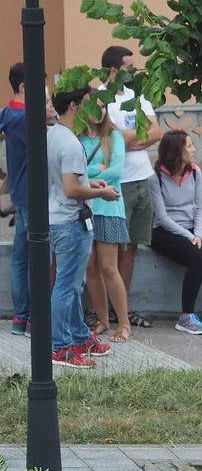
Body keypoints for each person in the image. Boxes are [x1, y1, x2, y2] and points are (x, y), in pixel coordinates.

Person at [48, 87, 120, 368]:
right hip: (69, 222)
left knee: (73, 284)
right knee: (66, 286)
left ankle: (79, 337)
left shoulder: (52, 135)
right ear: (75, 106)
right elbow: (70, 189)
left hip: (57, 220)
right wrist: (100, 193)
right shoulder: (70, 143)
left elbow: (67, 182)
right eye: (88, 103)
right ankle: (61, 347)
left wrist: (91, 184)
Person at [103, 45, 161, 328]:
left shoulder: (137, 97)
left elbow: (156, 131)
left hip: (142, 180)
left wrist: (127, 138)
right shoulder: (102, 100)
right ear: (113, 70)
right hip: (119, 183)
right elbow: (110, 140)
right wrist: (136, 137)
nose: (133, 73)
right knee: (112, 247)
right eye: (129, 68)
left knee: (131, 248)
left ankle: (122, 306)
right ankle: (104, 309)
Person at [149, 130, 202, 335]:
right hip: (165, 231)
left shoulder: (195, 172)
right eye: (189, 146)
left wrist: (198, 234)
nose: (194, 150)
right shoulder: (155, 178)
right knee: (197, 258)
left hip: (193, 229)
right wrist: (191, 237)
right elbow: (162, 217)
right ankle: (186, 316)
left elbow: (200, 208)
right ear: (176, 151)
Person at [79, 100, 132, 343]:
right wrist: (96, 169)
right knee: (90, 267)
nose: (98, 111)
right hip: (85, 208)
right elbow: (72, 172)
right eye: (93, 106)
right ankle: (102, 320)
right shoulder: (78, 139)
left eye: (102, 106)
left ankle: (124, 324)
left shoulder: (114, 136)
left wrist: (89, 173)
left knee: (109, 267)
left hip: (109, 208)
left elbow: (116, 171)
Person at [0, 63, 31, 335]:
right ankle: (31, 317)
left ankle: (21, 318)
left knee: (21, 258)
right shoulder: (25, 118)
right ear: (24, 87)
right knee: (34, 258)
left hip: (20, 194)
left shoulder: (7, 113)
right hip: (33, 194)